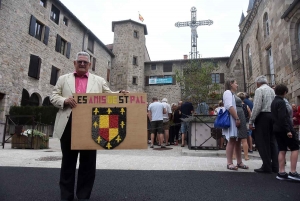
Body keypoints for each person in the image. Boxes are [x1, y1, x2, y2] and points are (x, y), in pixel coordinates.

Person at [50, 51, 128, 201]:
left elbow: (109, 95)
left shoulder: (98, 81)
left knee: (88, 164)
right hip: (68, 124)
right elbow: (53, 96)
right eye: (79, 61)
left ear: (89, 65)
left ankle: (83, 197)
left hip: (93, 125)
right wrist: (65, 100)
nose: (82, 64)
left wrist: (120, 94)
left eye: (85, 62)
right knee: (68, 162)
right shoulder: (63, 79)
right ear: (75, 63)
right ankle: (66, 197)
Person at [249, 75, 278, 174]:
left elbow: (257, 106)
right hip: (273, 116)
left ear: (257, 83)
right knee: (272, 142)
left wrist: (251, 121)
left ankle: (266, 166)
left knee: (262, 142)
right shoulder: (272, 90)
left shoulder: (259, 90)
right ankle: (275, 166)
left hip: (263, 117)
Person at [271, 84, 300, 181]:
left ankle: (281, 172)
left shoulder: (273, 102)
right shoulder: (282, 102)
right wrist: (288, 130)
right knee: (295, 148)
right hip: (284, 128)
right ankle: (293, 172)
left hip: (276, 128)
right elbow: (282, 117)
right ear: (284, 92)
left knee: (282, 149)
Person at [223, 79, 248, 170]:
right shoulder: (227, 92)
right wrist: (237, 118)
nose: (237, 85)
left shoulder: (232, 93)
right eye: (236, 83)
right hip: (234, 118)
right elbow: (229, 106)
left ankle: (239, 162)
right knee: (232, 139)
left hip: (238, 117)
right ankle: (229, 163)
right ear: (231, 84)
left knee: (238, 140)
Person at [237, 92, 252, 160]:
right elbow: (250, 114)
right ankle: (246, 156)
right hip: (245, 122)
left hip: (237, 123)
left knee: (236, 140)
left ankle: (234, 155)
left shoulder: (236, 106)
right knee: (244, 140)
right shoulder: (246, 106)